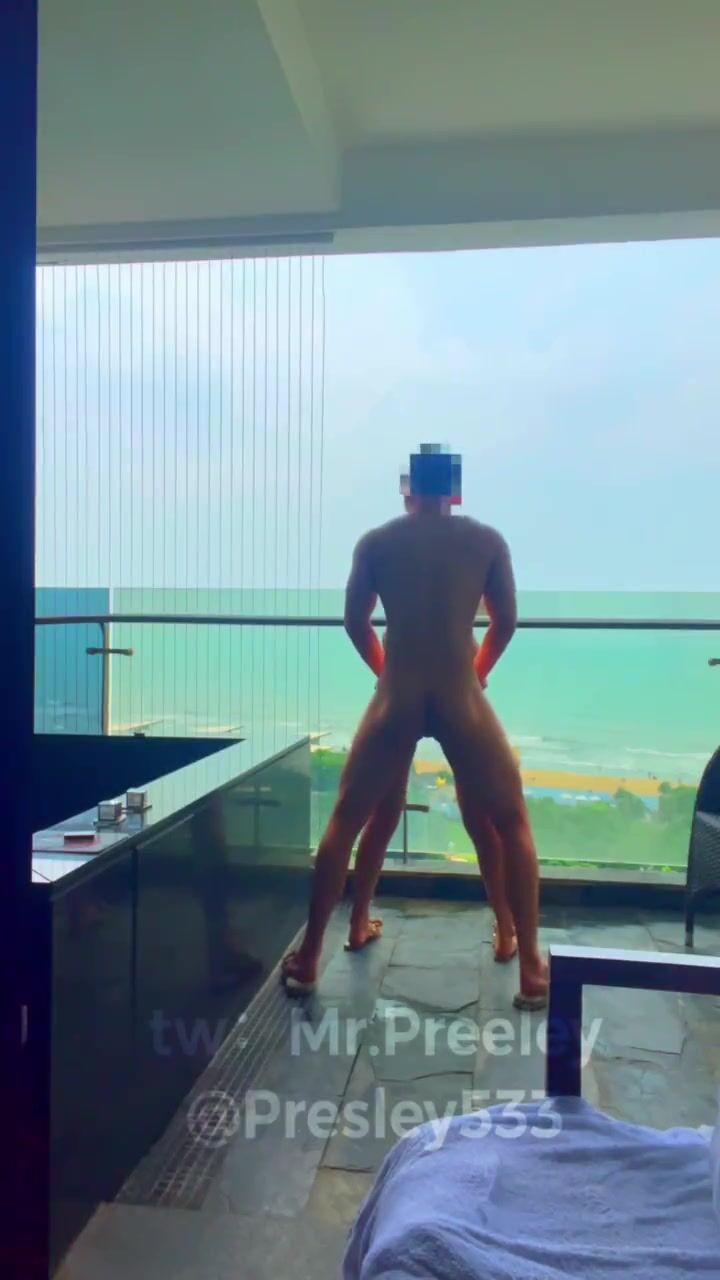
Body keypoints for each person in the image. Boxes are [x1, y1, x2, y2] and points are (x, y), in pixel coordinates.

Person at [282, 445, 547, 1010]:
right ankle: (530, 967)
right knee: (511, 821)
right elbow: (505, 622)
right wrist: (477, 674)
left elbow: (355, 622)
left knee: (345, 820)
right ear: (456, 490)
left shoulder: (376, 543)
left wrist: (387, 674)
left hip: (397, 696)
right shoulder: (486, 541)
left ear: (408, 490)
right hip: (460, 696)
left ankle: (308, 959)